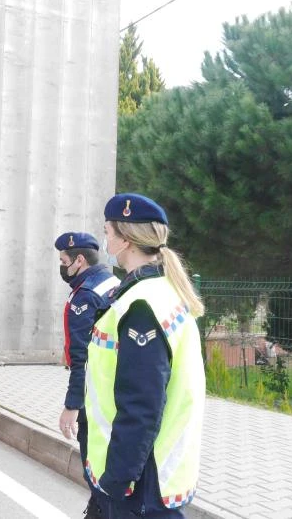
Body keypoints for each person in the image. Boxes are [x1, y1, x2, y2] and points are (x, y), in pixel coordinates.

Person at [83, 193, 206, 519]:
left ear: (124, 240)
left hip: (139, 483)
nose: (105, 237)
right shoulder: (162, 292)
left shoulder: (141, 306)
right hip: (151, 475)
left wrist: (117, 482)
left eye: (108, 230)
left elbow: (142, 404)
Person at [53, 232, 119, 515]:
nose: (62, 267)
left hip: (97, 394)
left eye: (63, 261)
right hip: (117, 389)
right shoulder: (112, 281)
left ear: (79, 260)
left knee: (95, 465)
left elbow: (82, 359)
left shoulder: (86, 296)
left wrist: (71, 406)